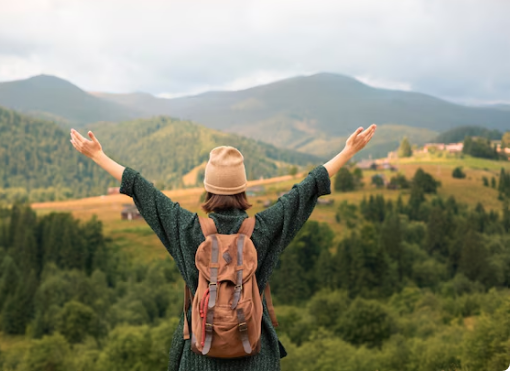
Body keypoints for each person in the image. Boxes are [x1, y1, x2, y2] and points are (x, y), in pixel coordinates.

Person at [70, 124, 376, 371]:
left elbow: (142, 190)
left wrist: (98, 155)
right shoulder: (265, 227)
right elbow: (306, 190)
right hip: (256, 353)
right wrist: (348, 151)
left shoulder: (187, 229)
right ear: (242, 188)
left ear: (208, 188)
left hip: (200, 354)